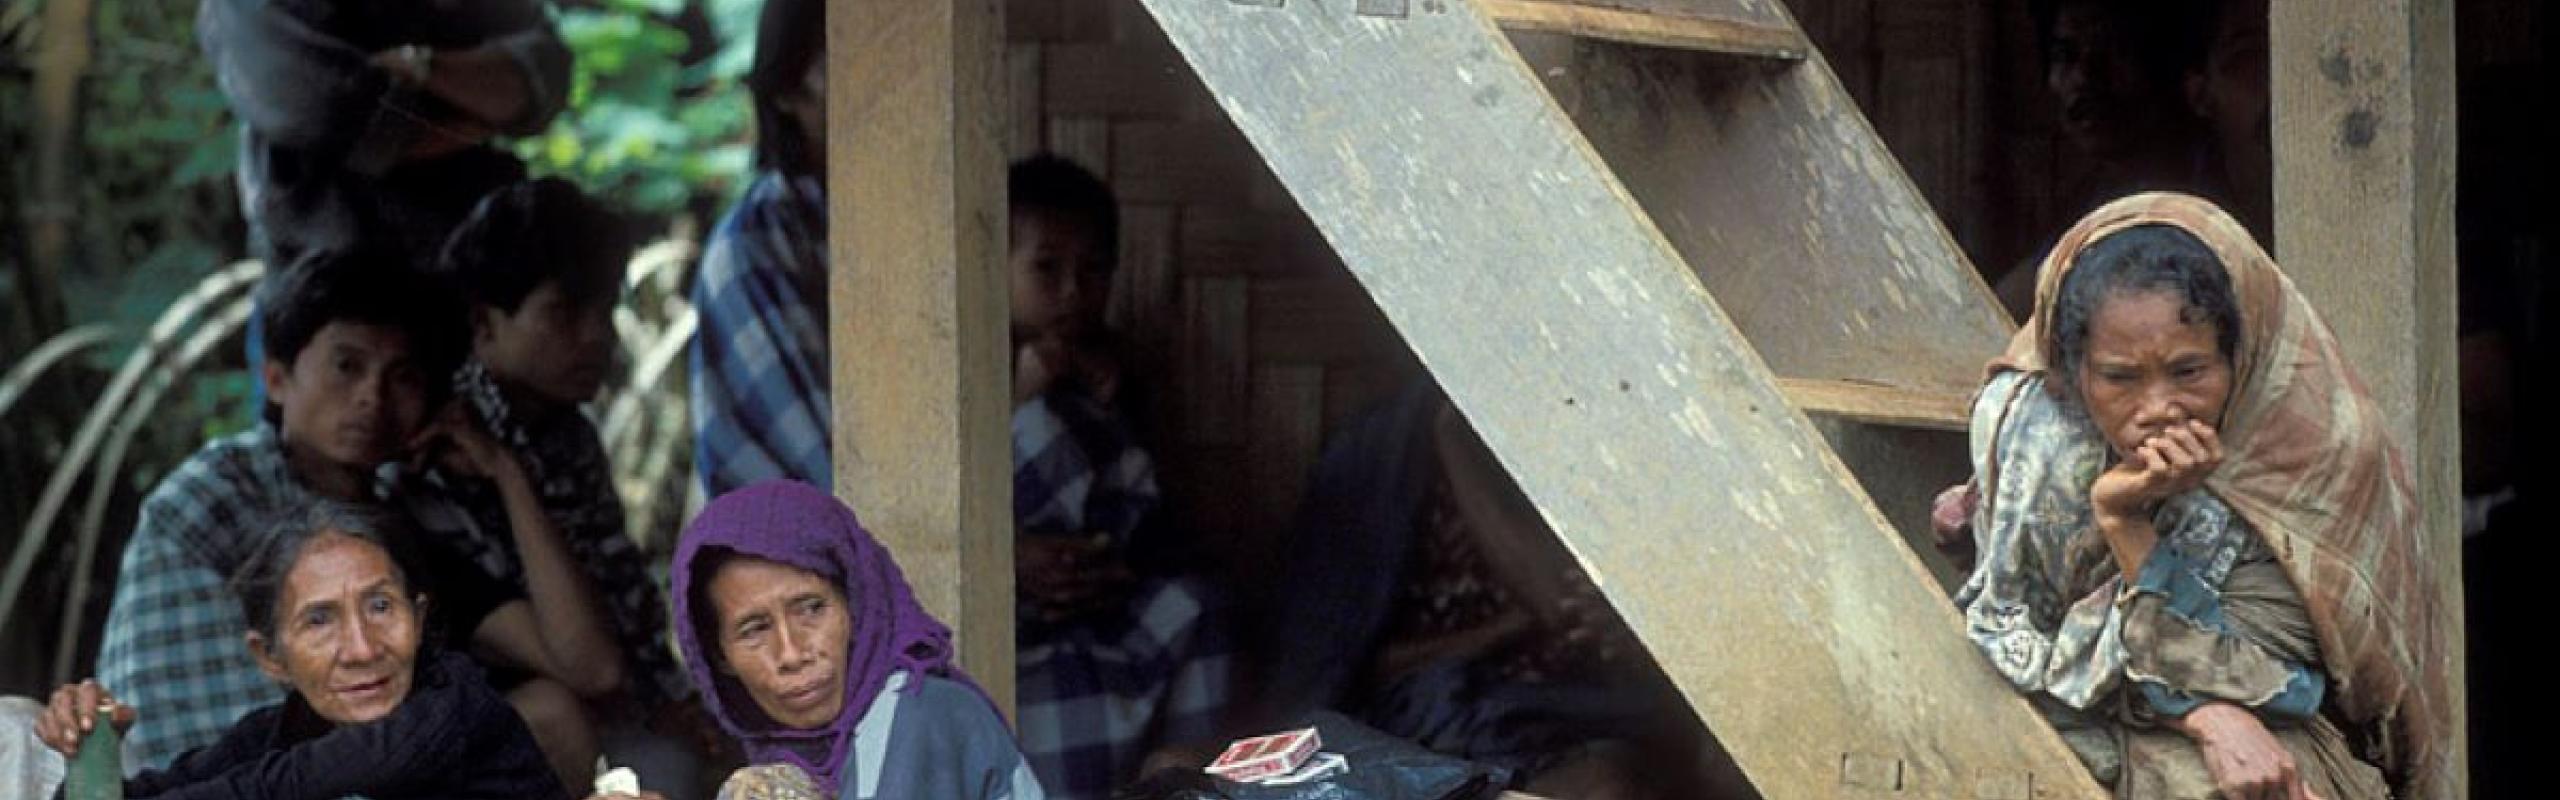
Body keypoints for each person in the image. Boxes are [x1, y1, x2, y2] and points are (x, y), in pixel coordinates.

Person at [1951, 193, 2453, 799]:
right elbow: (2011, 622)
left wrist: (2123, 520)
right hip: (2082, 707)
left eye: (2189, 372)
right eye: (2119, 377)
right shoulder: (2038, 428)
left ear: (2240, 355)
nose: (2158, 408)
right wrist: (2205, 716)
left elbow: (2271, 683)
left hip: (2272, 725)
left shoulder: (2312, 462)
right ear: (2074, 371)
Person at [91, 253, 604, 787]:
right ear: (277, 379)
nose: (371, 398)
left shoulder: (387, 524)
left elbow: (591, 668)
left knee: (549, 711)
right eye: (347, 366)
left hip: (317, 768)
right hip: (216, 772)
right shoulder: (224, 490)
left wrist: (506, 472)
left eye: (402, 376)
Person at [1256, 384, 1749, 800]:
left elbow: (1564, 606)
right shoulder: (1385, 457)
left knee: (1623, 781)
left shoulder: (1589, 451)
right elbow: (1343, 661)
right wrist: (1503, 630)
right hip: (1435, 717)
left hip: (1575, 709)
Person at [419, 178, 711, 795]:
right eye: (563, 313)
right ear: (484, 324)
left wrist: (674, 701)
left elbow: (622, 585)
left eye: (603, 311)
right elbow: (590, 668)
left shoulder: (566, 433)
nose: (596, 336)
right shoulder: (440, 450)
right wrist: (507, 474)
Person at [19, 502, 567, 799]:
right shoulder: (272, 734)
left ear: (418, 620)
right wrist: (91, 750)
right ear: (270, 658)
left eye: (381, 607)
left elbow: (287, 785)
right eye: (320, 620)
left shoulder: (453, 705)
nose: (361, 649)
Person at [672, 480, 1044, 800]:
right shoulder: (780, 764)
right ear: (718, 655)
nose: (792, 653)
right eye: (754, 630)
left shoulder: (921, 716)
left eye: (812, 609)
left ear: (856, 605)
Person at [197, 0, 569, 270]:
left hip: (482, 270)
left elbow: (544, 76)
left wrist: (419, 67)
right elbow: (334, 113)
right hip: (330, 286)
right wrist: (477, 112)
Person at [690, 0, 830, 497]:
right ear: (788, 90)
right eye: (843, 55)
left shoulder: (898, 222)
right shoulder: (753, 248)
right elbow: (843, 474)